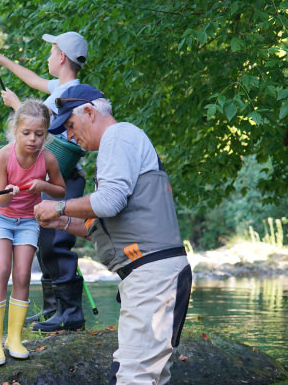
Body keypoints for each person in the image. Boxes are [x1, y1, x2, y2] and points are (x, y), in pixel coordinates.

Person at [33, 84, 193, 384]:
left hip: (153, 277)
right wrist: (62, 222)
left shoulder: (118, 137)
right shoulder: (119, 144)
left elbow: (108, 202)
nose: (69, 136)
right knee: (149, 376)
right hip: (155, 275)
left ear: (90, 113)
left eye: (69, 125)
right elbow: (100, 223)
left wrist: (59, 206)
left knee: (133, 377)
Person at [0, 31, 89, 331]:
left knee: (56, 245)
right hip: (48, 182)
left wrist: (18, 108)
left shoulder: (73, 96)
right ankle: (53, 308)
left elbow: (45, 134)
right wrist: (2, 60)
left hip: (63, 179)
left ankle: (69, 312)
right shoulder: (61, 88)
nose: (47, 57)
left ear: (61, 57)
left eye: (51, 50)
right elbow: (32, 80)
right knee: (45, 244)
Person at [0, 99, 66, 365]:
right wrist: (8, 191)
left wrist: (43, 184)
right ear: (15, 131)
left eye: (39, 134)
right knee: (1, 270)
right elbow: (1, 201)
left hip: (28, 221)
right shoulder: (3, 157)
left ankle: (14, 338)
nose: (32, 139)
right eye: (26, 133)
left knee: (22, 274)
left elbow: (61, 191)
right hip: (1, 218)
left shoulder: (48, 158)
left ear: (46, 133)